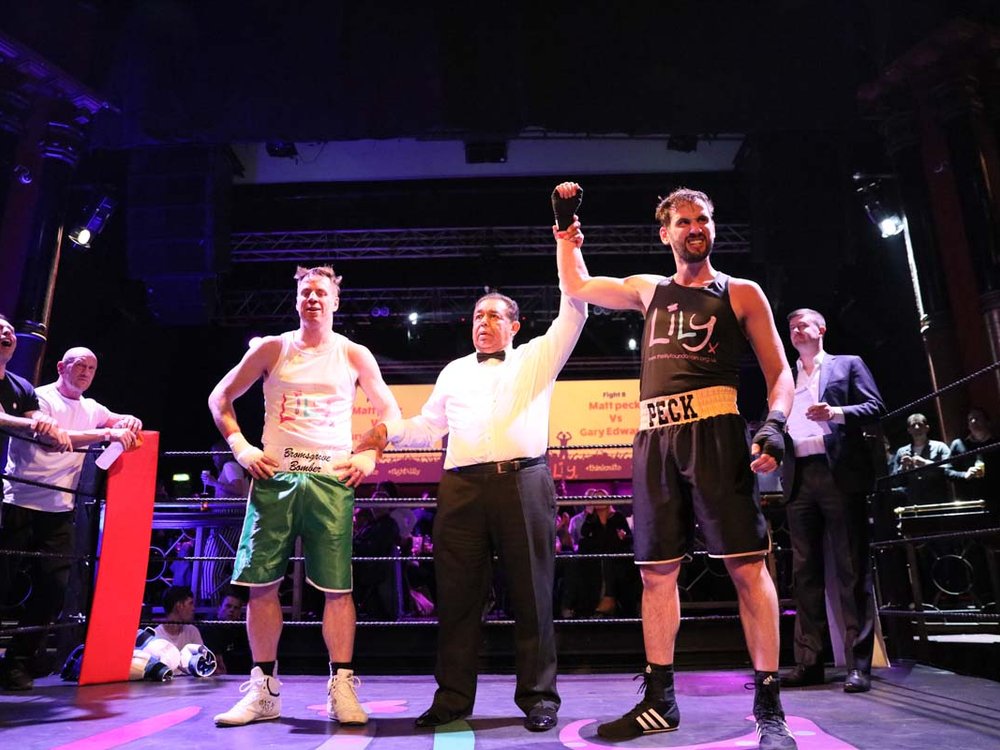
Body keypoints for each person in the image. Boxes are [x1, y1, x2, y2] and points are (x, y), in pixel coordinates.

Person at [553, 181, 796, 749]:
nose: (695, 229)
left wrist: (774, 427)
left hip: (715, 431)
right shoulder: (648, 289)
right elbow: (578, 285)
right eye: (684, 221)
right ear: (665, 234)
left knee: (745, 566)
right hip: (655, 435)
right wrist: (567, 231)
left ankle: (769, 706)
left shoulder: (741, 292)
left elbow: (779, 373)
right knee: (654, 572)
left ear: (712, 227)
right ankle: (660, 700)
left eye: (703, 219)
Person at [355, 281, 587, 731]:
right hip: (461, 489)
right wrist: (389, 433)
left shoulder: (537, 357)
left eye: (495, 315)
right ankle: (452, 700)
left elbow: (574, 313)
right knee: (457, 599)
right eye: (479, 316)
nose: (484, 322)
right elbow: (429, 426)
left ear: (515, 326)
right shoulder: (454, 371)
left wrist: (566, 244)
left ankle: (540, 698)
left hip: (523, 481)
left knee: (532, 594)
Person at [208, 265, 401, 727]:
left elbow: (390, 411)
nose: (312, 299)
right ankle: (263, 690)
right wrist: (241, 447)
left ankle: (342, 687)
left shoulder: (354, 354)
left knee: (338, 588)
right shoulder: (273, 347)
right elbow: (220, 398)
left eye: (321, 293)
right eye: (305, 293)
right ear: (296, 301)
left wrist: (370, 456)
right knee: (261, 585)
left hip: (332, 479)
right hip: (275, 477)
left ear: (335, 302)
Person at [0, 344, 140, 691]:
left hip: (60, 509)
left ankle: (16, 664)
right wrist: (107, 433)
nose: (85, 372)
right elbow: (53, 439)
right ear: (62, 366)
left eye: (92, 368)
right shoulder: (40, 398)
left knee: (53, 590)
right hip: (20, 501)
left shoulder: (92, 407)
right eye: (79, 365)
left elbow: (114, 420)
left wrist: (127, 420)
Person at [780, 308, 886, 694]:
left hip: (838, 471)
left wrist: (836, 412)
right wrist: (766, 447)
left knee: (851, 568)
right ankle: (809, 663)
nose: (795, 330)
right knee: (804, 573)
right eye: (791, 327)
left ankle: (859, 666)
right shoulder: (785, 376)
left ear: (821, 329)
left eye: (802, 324)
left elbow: (875, 407)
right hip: (799, 476)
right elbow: (774, 421)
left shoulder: (848, 365)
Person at [889, 414, 951, 504]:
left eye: (920, 424)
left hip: (938, 499)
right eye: (913, 425)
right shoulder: (901, 451)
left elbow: (949, 470)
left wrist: (926, 463)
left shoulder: (940, 446)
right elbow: (895, 482)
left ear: (927, 428)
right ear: (909, 430)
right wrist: (902, 467)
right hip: (913, 502)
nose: (917, 427)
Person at [945, 407, 998, 512]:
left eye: (977, 418)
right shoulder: (958, 444)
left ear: (988, 422)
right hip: (970, 502)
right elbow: (948, 472)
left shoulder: (997, 443)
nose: (973, 421)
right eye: (970, 419)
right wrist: (965, 475)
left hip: (996, 500)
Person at [153, 585, 204, 650]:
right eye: (190, 603)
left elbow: (202, 658)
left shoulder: (192, 631)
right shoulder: (156, 636)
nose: (193, 608)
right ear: (179, 606)